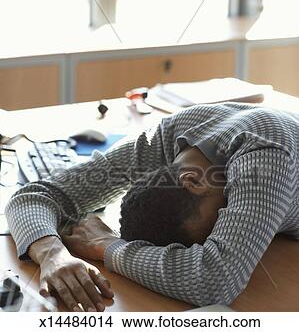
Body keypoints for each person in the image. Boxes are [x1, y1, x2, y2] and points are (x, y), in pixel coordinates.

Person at [5, 102, 299, 312]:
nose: (224, 231)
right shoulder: (167, 139)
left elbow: (215, 281)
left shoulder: (265, 159)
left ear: (194, 182)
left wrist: (106, 246)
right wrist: (52, 254)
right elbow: (35, 195)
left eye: (215, 229)